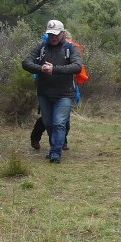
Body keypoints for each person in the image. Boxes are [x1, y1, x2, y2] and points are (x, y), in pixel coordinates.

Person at [21, 19, 82, 164]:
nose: (53, 37)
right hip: (44, 92)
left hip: (64, 94)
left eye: (56, 34)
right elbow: (26, 62)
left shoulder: (70, 48)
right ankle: (55, 145)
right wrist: (41, 68)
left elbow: (77, 66)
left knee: (59, 122)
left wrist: (54, 69)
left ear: (62, 33)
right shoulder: (41, 47)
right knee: (48, 123)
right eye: (50, 34)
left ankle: (55, 152)